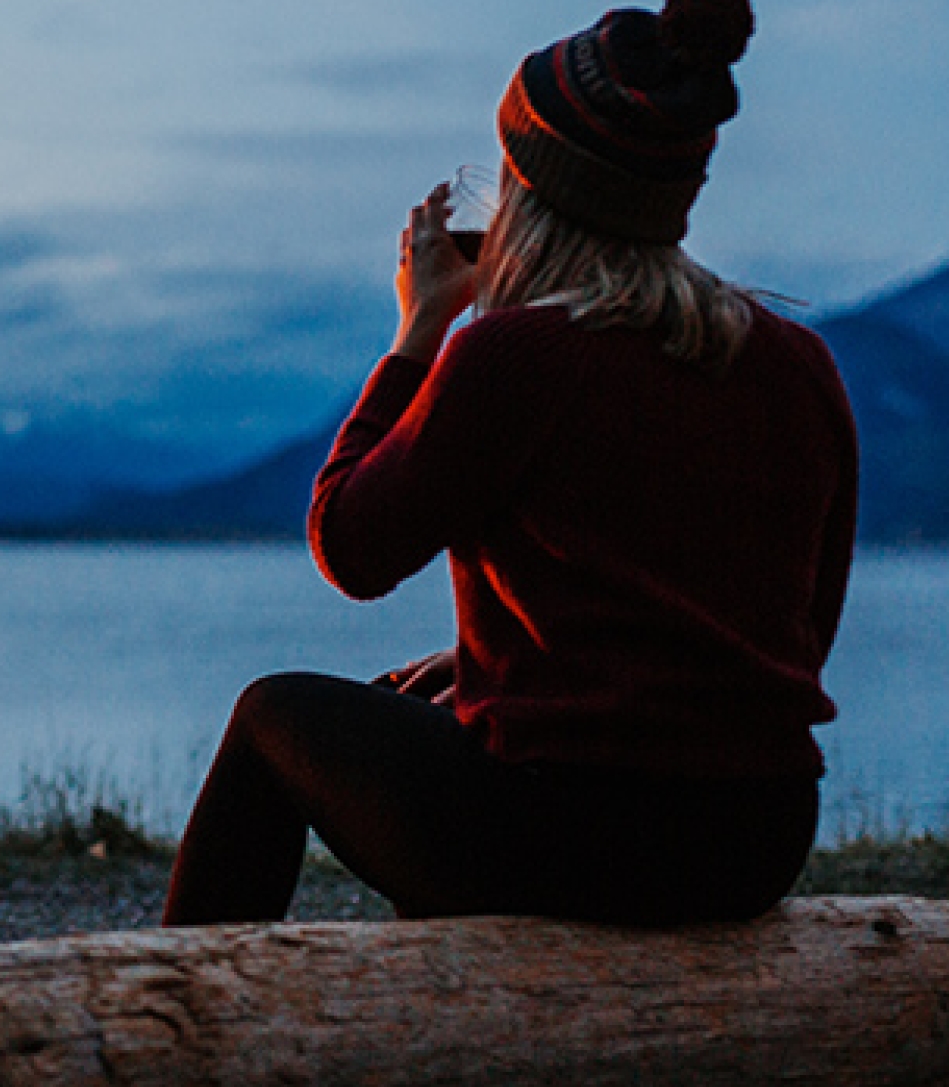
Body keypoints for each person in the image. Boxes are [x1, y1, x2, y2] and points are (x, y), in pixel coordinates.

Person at [163, 0, 857, 928]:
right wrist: (494, 662)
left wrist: (416, 335)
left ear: (534, 185)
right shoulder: (797, 363)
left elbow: (351, 546)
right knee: (424, 713)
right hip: (757, 839)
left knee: (268, 717)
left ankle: (180, 1015)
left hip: (570, 831)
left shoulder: (519, 355)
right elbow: (797, 627)